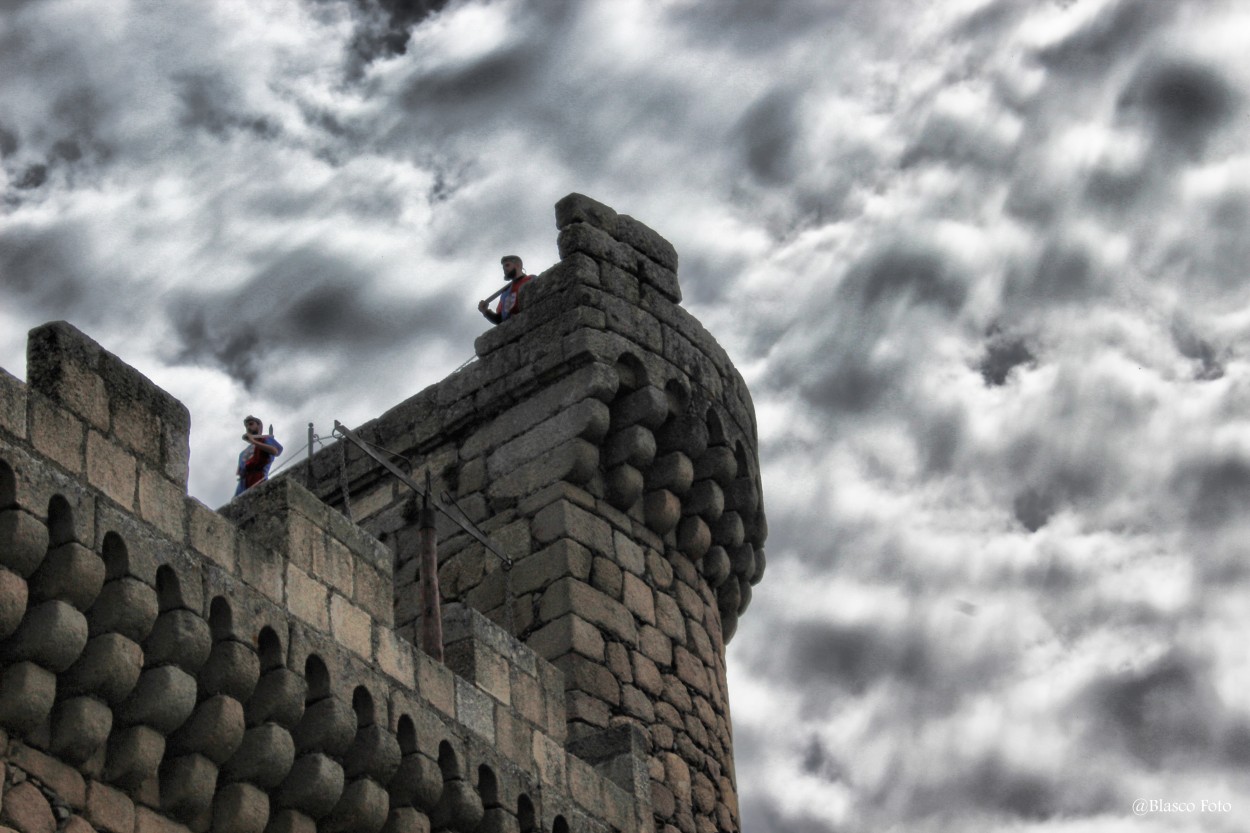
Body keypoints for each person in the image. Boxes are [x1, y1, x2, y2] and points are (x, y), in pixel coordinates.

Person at [478, 255, 534, 325]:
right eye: (503, 267)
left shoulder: (530, 279)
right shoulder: (505, 293)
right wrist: (485, 311)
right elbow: (500, 319)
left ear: (518, 265)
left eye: (507, 265)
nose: (504, 269)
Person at [235, 415, 283, 496]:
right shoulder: (242, 453)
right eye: (246, 426)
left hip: (258, 477)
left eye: (251, 424)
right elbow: (240, 472)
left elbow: (275, 451)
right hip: (243, 483)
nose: (248, 428)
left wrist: (254, 442)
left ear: (259, 426)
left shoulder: (265, 440)